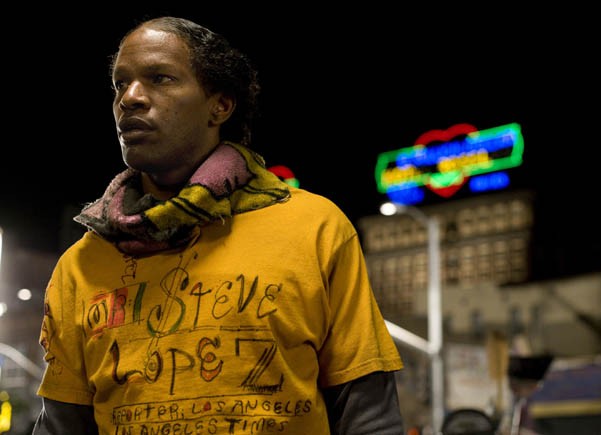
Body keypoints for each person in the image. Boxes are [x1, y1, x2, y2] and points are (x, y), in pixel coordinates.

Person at [31, 15, 404, 435]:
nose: (131, 98)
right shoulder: (82, 263)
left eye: (160, 78)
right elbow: (63, 426)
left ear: (220, 105)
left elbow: (368, 415)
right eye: (120, 84)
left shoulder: (314, 228)